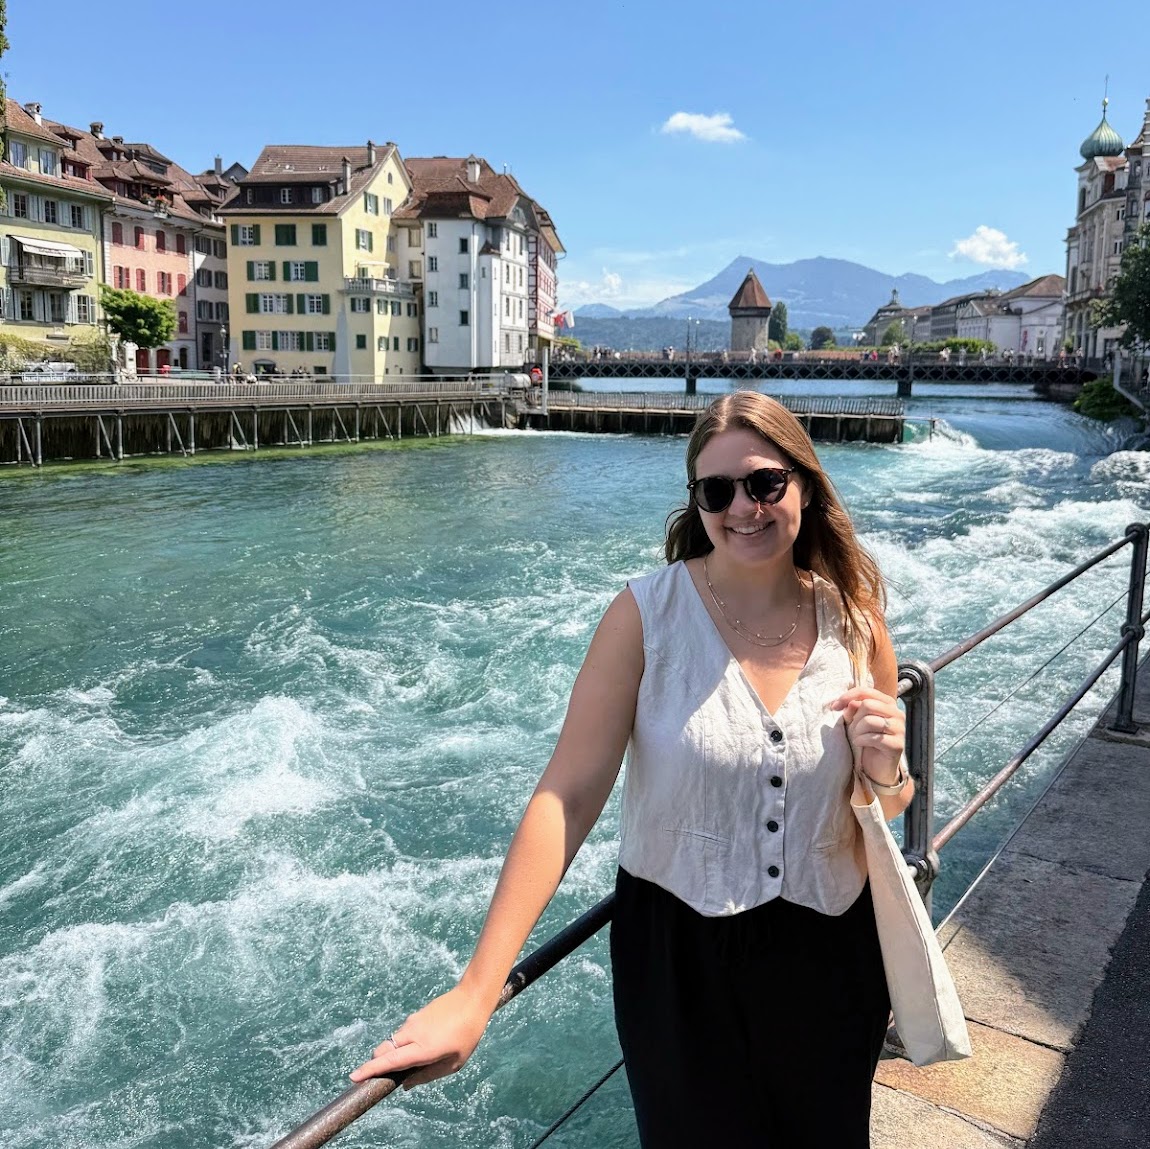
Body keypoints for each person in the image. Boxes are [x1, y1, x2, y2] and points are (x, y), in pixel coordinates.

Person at [351, 392, 912, 1147]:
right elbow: (569, 792)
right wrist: (477, 990)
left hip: (832, 956)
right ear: (697, 503)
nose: (742, 506)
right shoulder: (644, 616)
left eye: (764, 483)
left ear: (804, 484)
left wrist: (886, 768)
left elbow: (882, 801)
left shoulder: (856, 619)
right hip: (680, 966)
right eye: (717, 491)